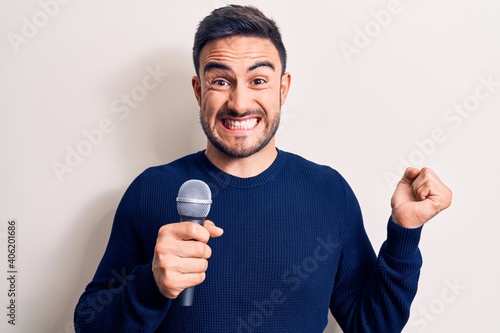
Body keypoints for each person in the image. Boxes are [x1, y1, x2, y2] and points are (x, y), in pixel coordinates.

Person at [74, 5, 452, 333]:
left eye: (258, 80)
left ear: (282, 89)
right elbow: (89, 325)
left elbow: (371, 326)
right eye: (220, 81)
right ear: (197, 90)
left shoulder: (328, 192)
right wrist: (150, 286)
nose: (239, 103)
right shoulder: (150, 191)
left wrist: (405, 231)